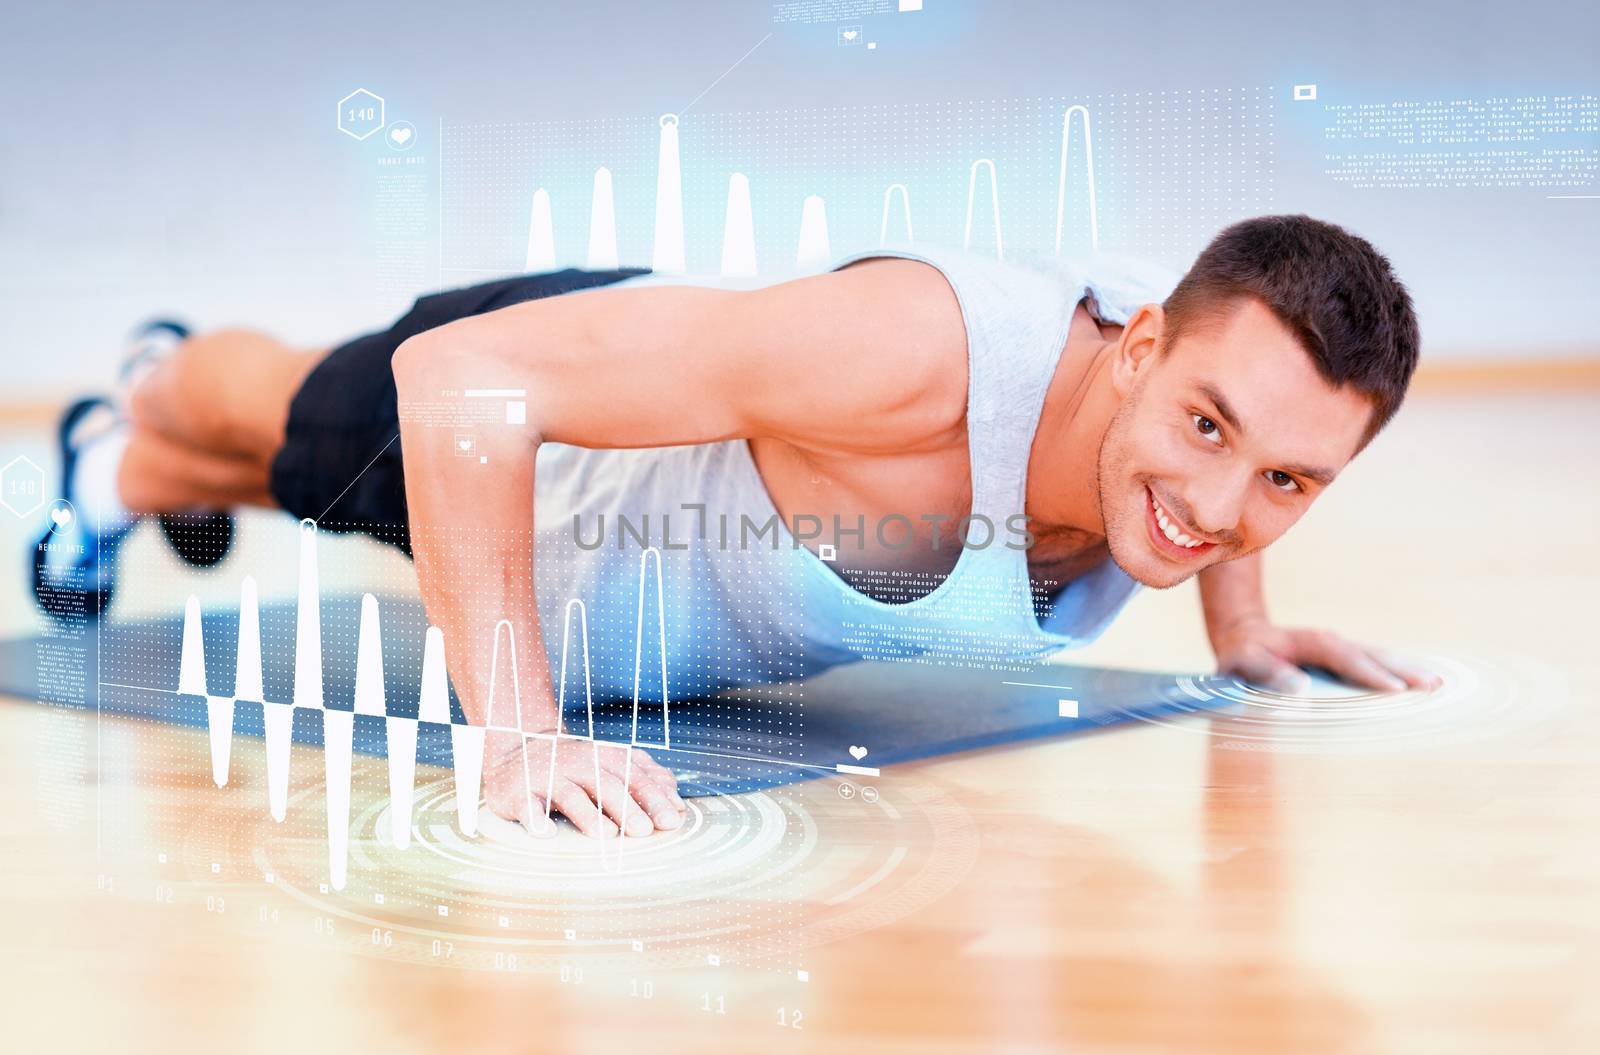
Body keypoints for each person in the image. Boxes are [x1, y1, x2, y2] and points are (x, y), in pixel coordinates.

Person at [35, 213, 1440, 840]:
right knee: (295, 424)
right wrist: (516, 734)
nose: (1219, 509)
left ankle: (116, 472)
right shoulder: (917, 357)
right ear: (1137, 355)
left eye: (1289, 485)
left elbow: (1252, 436)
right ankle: (157, 383)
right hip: (560, 469)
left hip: (655, 488)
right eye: (1206, 431)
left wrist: (1245, 627)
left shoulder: (1205, 387)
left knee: (247, 470)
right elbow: (460, 386)